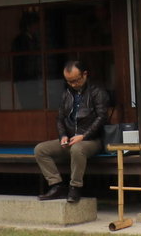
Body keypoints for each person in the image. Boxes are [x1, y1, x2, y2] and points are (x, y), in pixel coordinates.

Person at [33, 60, 111, 204]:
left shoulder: (97, 92)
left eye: (76, 80)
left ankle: (75, 187)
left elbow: (102, 118)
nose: (73, 84)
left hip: (92, 140)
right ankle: (56, 186)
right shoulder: (67, 93)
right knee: (40, 149)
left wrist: (84, 136)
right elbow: (60, 118)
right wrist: (63, 136)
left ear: (85, 74)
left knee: (77, 149)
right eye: (69, 81)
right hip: (70, 138)